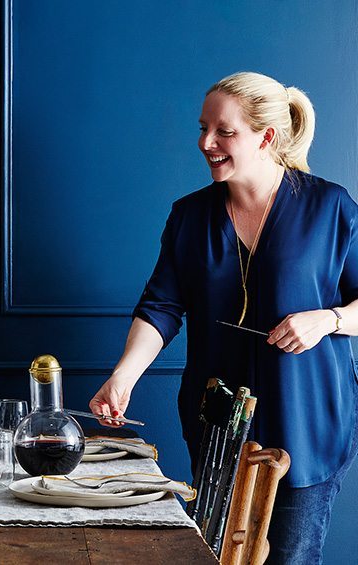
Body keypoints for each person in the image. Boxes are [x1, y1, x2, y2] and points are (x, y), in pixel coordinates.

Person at [89, 72, 358, 564]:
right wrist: (122, 376)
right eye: (202, 128)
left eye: (223, 131)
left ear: (267, 136)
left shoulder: (331, 207)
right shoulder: (189, 215)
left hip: (308, 423)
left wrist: (330, 319)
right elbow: (162, 305)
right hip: (219, 428)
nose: (205, 143)